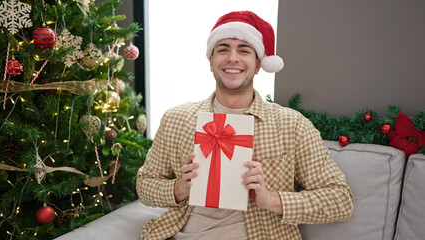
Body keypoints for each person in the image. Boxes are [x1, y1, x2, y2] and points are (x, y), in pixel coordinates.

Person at [136, 10, 354, 240]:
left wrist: (271, 199)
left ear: (258, 64)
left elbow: (340, 200)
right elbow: (144, 186)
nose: (232, 58)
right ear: (210, 61)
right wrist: (180, 188)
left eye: (244, 50)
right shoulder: (176, 119)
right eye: (222, 49)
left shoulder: (292, 125)